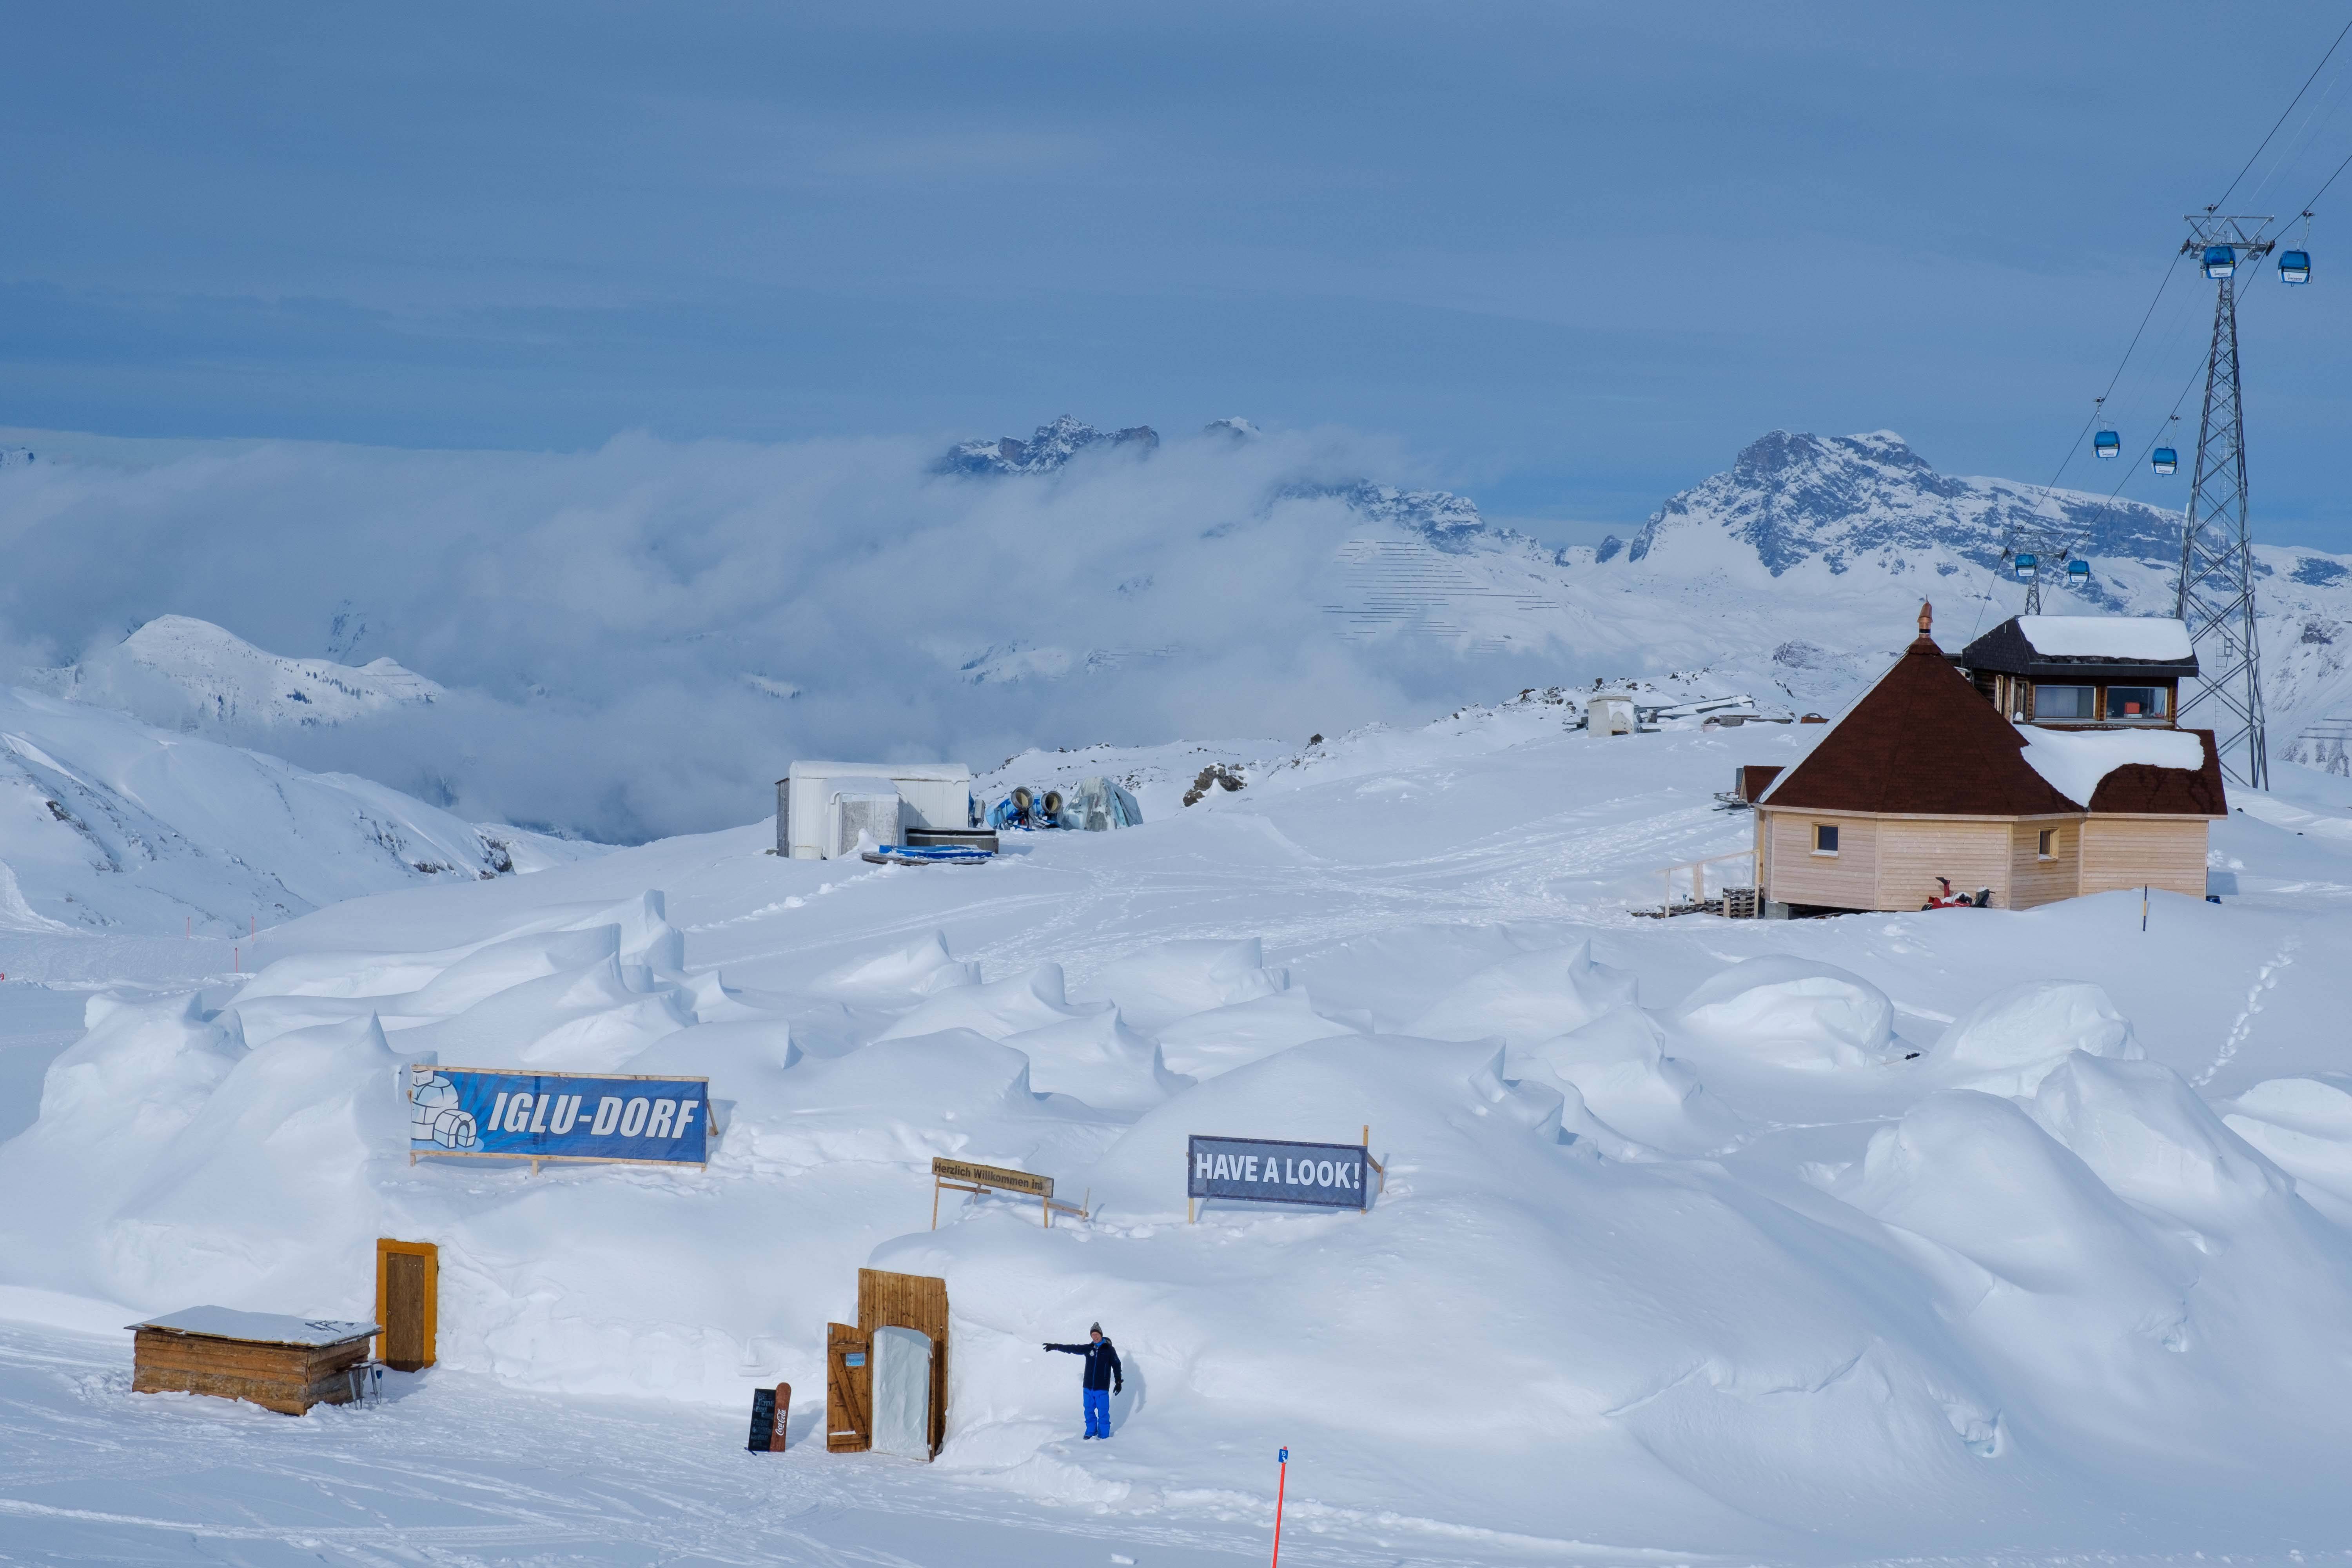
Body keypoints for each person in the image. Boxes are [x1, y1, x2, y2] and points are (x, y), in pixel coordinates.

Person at [1042, 1323, 1123, 1439]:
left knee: (1103, 1414)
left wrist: (1118, 1382)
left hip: (1102, 1389)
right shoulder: (1089, 1348)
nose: (1095, 1337)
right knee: (1089, 1411)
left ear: (1101, 1334)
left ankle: (1104, 1436)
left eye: (1097, 1334)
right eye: (1093, 1335)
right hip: (1088, 1388)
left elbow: (1117, 1365)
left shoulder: (1109, 1350)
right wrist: (1056, 1346)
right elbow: (1072, 1348)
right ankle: (1091, 1432)